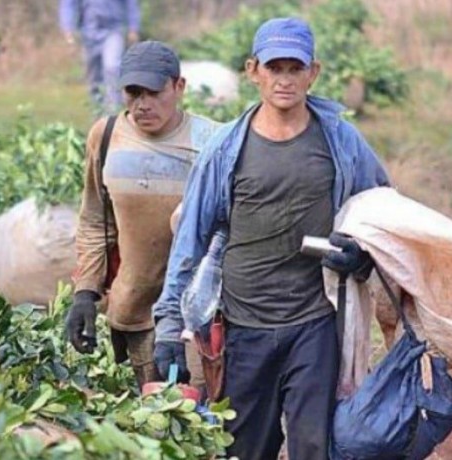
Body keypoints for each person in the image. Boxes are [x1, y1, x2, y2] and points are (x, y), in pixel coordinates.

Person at [152, 17, 391, 460]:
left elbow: (381, 209)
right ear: (253, 71)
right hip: (245, 326)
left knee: (314, 447)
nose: (284, 79)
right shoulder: (226, 149)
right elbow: (190, 241)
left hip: (315, 323)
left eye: (295, 68)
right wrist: (169, 328)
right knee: (246, 447)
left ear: (312, 73)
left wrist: (361, 256)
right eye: (274, 67)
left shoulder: (341, 141)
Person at [65, 41, 220, 388]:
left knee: (194, 408)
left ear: (179, 87)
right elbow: (94, 220)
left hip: (194, 316)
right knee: (149, 411)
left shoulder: (211, 140)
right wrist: (85, 293)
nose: (142, 104)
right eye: (133, 93)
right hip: (134, 311)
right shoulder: (106, 136)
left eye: (154, 92)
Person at [59, 0, 141, 114]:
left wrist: (133, 28)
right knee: (94, 78)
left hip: (113, 30)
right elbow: (68, 4)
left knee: (112, 67)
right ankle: (98, 112)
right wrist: (68, 29)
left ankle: (113, 112)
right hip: (88, 32)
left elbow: (131, 3)